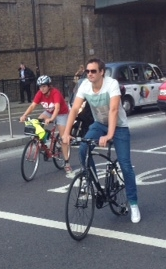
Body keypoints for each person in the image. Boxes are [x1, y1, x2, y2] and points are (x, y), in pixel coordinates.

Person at [62, 58, 141, 224]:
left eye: (93, 71)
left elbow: (113, 110)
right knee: (84, 148)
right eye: (88, 71)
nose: (90, 74)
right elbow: (75, 109)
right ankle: (90, 181)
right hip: (99, 124)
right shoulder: (84, 85)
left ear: (101, 72)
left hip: (119, 126)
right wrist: (66, 133)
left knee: (125, 166)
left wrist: (110, 134)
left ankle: (133, 204)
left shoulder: (111, 84)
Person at [19, 75, 72, 173]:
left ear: (49, 86)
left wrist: (51, 119)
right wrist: (24, 115)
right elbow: (33, 106)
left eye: (44, 86)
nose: (42, 89)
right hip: (49, 112)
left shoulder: (55, 93)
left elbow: (57, 108)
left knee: (63, 138)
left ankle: (67, 163)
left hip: (61, 113)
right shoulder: (40, 93)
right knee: (37, 122)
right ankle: (42, 142)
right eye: (40, 86)